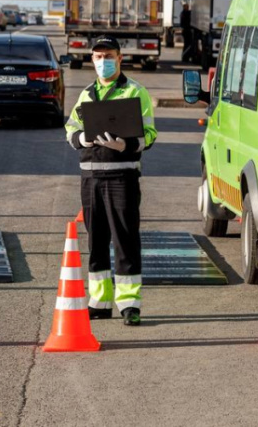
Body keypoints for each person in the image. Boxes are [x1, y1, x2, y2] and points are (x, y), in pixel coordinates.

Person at [65, 36, 157, 326]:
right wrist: (82, 138)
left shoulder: (134, 91)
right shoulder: (87, 94)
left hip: (122, 175)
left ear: (120, 58)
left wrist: (126, 145)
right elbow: (70, 129)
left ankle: (129, 304)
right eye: (97, 56)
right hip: (91, 177)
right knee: (97, 241)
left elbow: (150, 135)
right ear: (91, 60)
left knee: (125, 239)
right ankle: (100, 301)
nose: (102, 61)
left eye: (108, 56)